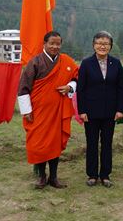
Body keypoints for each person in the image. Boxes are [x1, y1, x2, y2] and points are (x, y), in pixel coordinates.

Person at [18, 31, 79, 189]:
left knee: (55, 144)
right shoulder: (35, 62)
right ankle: (41, 176)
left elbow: (77, 77)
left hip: (58, 110)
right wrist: (27, 111)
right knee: (38, 144)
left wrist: (70, 86)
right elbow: (23, 88)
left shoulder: (66, 61)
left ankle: (53, 177)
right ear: (44, 44)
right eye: (51, 43)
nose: (54, 46)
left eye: (58, 43)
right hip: (38, 112)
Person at [76, 31, 123, 188]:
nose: (102, 46)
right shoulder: (86, 63)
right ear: (93, 45)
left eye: (106, 43)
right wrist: (82, 111)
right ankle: (92, 174)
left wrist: (119, 109)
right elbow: (81, 89)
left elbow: (120, 88)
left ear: (111, 46)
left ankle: (105, 175)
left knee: (107, 143)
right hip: (90, 112)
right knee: (91, 143)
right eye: (99, 43)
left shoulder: (116, 63)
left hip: (110, 112)